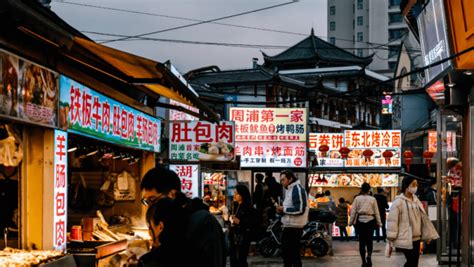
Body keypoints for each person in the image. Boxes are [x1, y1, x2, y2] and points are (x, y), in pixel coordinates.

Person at [141, 167, 225, 267]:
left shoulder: (203, 222)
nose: (150, 207)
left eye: (153, 200)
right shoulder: (167, 223)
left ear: (172, 194)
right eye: (146, 202)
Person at [387, 177, 439, 267]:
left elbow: (423, 218)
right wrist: (391, 238)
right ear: (407, 186)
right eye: (413, 185)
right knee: (411, 261)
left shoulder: (416, 200)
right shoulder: (398, 202)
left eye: (416, 185)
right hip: (405, 238)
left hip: (417, 238)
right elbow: (392, 221)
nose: (416, 187)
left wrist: (428, 235)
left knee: (414, 262)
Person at [139, 198, 187, 267]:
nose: (149, 232)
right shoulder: (190, 249)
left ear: (160, 227)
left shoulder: (155, 261)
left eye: (150, 226)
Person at [276, 170, 309, 267]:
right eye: (281, 180)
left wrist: (284, 209)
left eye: (283, 180)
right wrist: (281, 210)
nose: (282, 182)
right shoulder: (290, 190)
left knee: (293, 256)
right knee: (287, 256)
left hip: (294, 228)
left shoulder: (297, 189)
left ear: (290, 179)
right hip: (289, 226)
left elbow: (300, 209)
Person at [349, 183, 382, 267]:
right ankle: (369, 256)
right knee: (369, 241)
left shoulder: (357, 198)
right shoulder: (373, 199)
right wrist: (379, 222)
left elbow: (353, 211)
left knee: (362, 242)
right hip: (370, 221)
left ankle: (363, 261)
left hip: (360, 221)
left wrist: (350, 222)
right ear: (369, 190)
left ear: (361, 189)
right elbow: (376, 212)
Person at [229, 184, 257, 267]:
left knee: (241, 259)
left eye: (237, 193)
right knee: (233, 258)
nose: (234, 195)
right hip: (234, 236)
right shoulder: (236, 205)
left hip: (243, 236)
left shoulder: (248, 207)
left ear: (242, 195)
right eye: (234, 193)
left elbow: (252, 223)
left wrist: (240, 222)